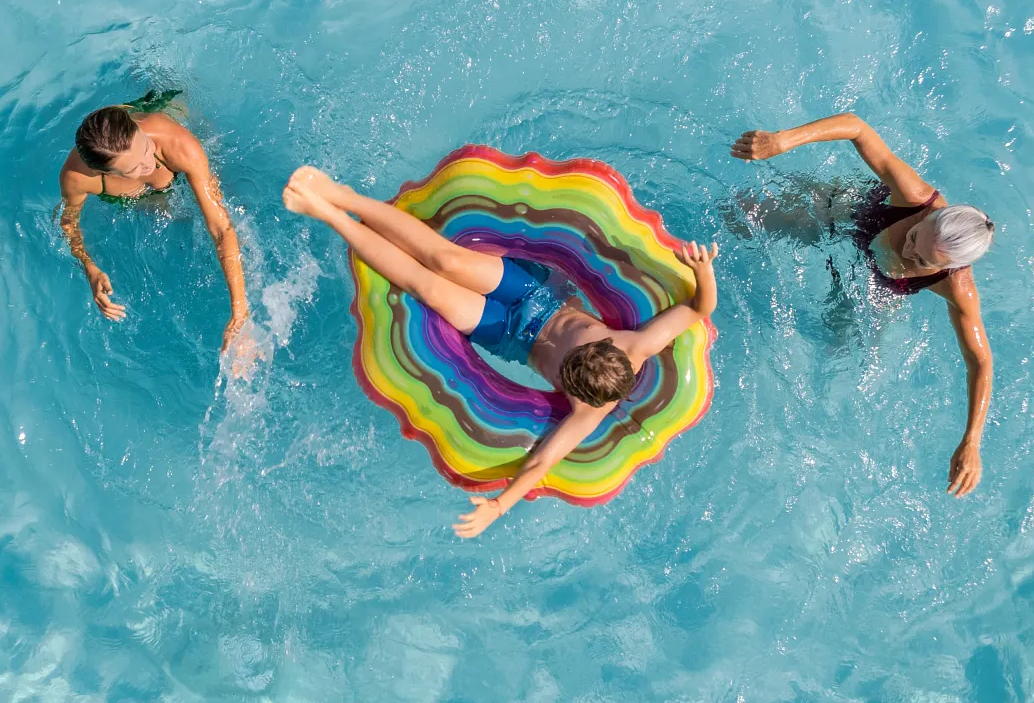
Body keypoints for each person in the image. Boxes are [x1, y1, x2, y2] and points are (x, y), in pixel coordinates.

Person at [281, 166, 719, 537]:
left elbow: (542, 461)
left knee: (426, 287)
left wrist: (499, 506)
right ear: (608, 344)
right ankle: (342, 195)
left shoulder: (589, 411)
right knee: (445, 261)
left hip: (510, 337)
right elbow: (700, 308)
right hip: (537, 295)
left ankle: (326, 213)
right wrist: (704, 271)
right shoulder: (638, 344)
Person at [732, 113, 994, 496]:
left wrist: (972, 440)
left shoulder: (957, 288)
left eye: (921, 261)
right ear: (930, 217)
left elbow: (980, 361)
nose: (907, 250)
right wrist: (782, 140)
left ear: (949, 269)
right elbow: (857, 127)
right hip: (846, 217)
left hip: (876, 284)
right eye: (915, 237)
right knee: (740, 214)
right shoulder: (916, 196)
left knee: (841, 351)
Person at [58, 90, 255, 373]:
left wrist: (240, 314)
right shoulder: (77, 178)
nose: (148, 163)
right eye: (135, 168)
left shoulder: (178, 145)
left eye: (145, 149)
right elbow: (68, 223)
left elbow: (221, 228)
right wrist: (88, 265)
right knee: (169, 213)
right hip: (116, 153)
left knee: (229, 211)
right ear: (105, 173)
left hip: (171, 123)